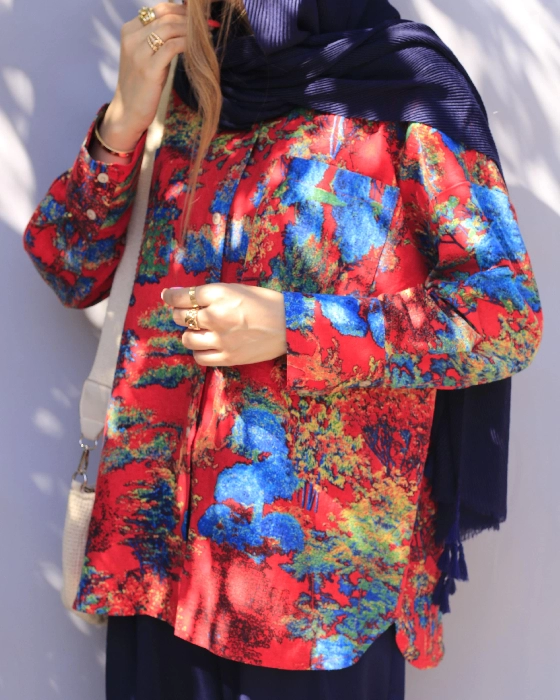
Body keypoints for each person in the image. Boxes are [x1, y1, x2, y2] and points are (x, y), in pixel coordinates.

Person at [23, 1, 543, 698]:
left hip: (312, 598)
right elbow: (68, 266)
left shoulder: (402, 93)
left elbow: (505, 318)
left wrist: (293, 326)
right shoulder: (188, 81)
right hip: (157, 569)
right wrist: (121, 121)